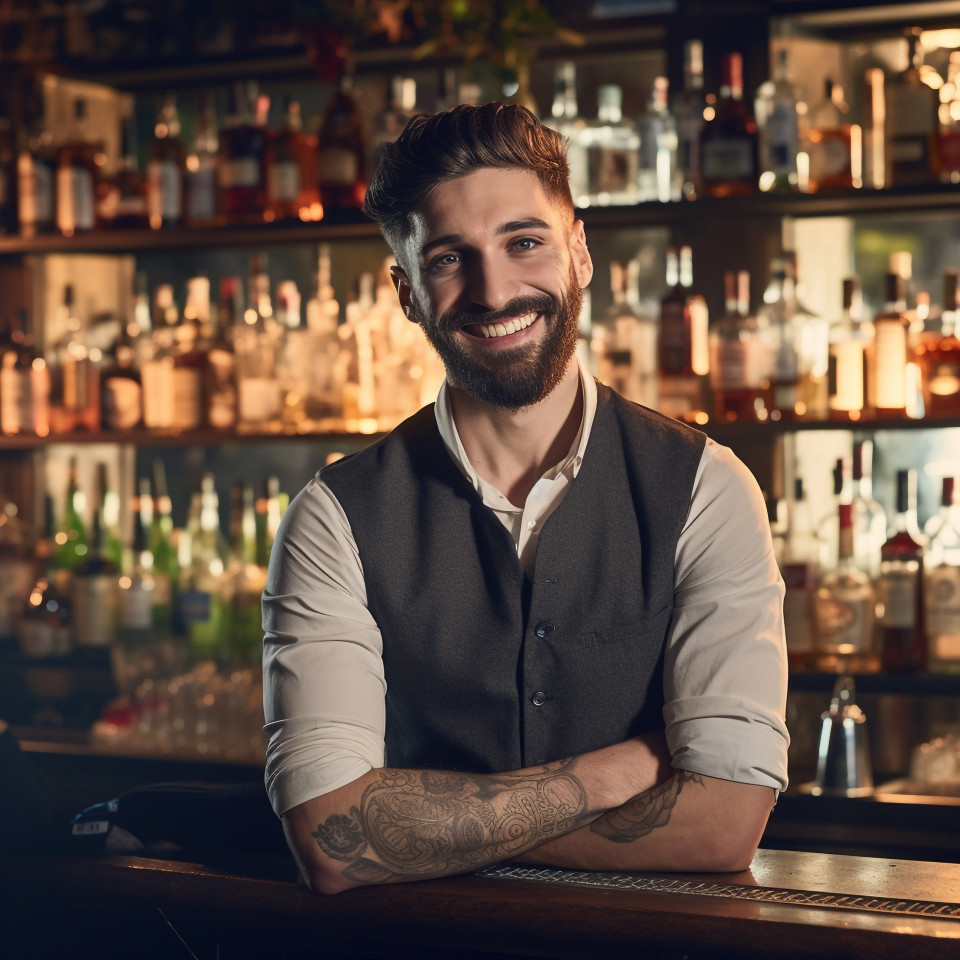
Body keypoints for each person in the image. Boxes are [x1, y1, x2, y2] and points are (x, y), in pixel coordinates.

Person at [262, 102, 789, 896]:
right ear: (406, 292)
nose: (495, 289)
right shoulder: (334, 517)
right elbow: (335, 837)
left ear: (579, 251)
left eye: (525, 241)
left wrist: (431, 832)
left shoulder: (707, 488)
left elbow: (727, 825)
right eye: (448, 259)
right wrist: (634, 767)